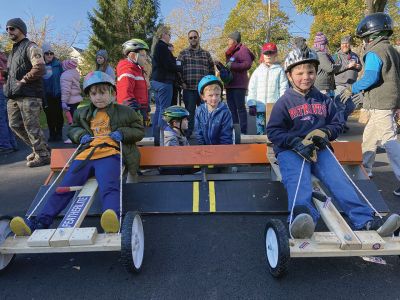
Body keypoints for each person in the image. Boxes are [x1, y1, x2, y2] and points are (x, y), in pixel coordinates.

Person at [266, 47, 400, 239]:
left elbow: (337, 123)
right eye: (300, 73)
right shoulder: (284, 102)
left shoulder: (323, 99)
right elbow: (273, 131)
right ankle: (302, 218)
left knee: (339, 180)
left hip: (319, 149)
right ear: (289, 75)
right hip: (291, 150)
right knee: (298, 179)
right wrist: (293, 142)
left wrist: (326, 132)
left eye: (311, 72)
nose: (306, 77)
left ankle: (366, 220)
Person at [9, 71, 145, 236]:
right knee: (63, 188)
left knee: (109, 186)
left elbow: (138, 130)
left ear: (112, 93)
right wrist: (80, 135)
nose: (98, 97)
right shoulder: (82, 112)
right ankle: (39, 222)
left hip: (110, 153)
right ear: (88, 96)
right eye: (93, 94)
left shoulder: (125, 111)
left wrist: (122, 133)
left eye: (103, 92)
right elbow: (73, 129)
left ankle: (112, 218)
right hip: (85, 156)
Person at [339, 13, 400, 196]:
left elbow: (371, 77)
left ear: (369, 36)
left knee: (389, 140)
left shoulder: (374, 51)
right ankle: (366, 170)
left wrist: (353, 88)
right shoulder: (391, 50)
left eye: (364, 39)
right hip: (388, 101)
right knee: (370, 137)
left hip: (380, 102)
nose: (364, 42)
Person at [4, 18, 50, 167]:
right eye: (7, 29)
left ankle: (42, 155)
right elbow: (13, 72)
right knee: (14, 124)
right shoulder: (13, 51)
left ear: (21, 30)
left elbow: (40, 68)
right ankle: (39, 149)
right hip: (14, 95)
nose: (9, 31)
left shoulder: (31, 46)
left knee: (31, 126)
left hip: (29, 94)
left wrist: (24, 80)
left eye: (12, 28)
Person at [178, 30, 215, 138]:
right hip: (188, 88)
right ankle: (187, 135)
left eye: (195, 37)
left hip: (204, 90)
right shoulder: (183, 53)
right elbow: (178, 70)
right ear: (188, 39)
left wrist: (210, 85)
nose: (193, 39)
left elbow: (212, 70)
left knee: (205, 112)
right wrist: (182, 83)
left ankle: (205, 134)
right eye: (191, 38)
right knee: (189, 113)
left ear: (199, 38)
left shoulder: (206, 54)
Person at [247, 42, 288, 135]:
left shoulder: (279, 70)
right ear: (263, 55)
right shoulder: (258, 71)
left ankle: (274, 147)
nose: (268, 55)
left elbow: (283, 88)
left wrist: (282, 104)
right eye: (266, 53)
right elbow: (252, 88)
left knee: (274, 130)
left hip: (274, 107)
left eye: (271, 53)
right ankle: (261, 147)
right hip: (260, 107)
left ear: (275, 54)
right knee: (260, 131)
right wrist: (252, 104)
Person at [150, 26, 180, 139]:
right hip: (164, 81)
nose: (170, 37)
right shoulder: (163, 47)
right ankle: (163, 137)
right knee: (164, 110)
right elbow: (168, 65)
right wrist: (179, 67)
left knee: (159, 108)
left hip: (156, 81)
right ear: (163, 35)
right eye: (169, 35)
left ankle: (156, 137)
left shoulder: (157, 47)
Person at [224, 31, 255, 134]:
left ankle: (243, 131)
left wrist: (232, 66)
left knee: (240, 108)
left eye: (229, 39)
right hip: (230, 85)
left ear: (234, 40)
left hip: (239, 85)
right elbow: (229, 65)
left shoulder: (243, 50)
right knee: (232, 109)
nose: (227, 41)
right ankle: (235, 130)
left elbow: (247, 64)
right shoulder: (230, 52)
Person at [116, 38, 150, 123]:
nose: (146, 58)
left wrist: (146, 107)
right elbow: (125, 94)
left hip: (140, 109)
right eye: (143, 55)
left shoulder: (137, 70)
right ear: (133, 56)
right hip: (131, 113)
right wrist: (133, 112)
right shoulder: (127, 70)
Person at [333, 35, 362, 131]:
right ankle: (340, 125)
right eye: (342, 43)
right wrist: (348, 65)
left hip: (352, 85)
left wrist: (358, 67)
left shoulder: (354, 55)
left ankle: (342, 122)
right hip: (340, 84)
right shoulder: (336, 55)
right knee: (340, 106)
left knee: (352, 106)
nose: (344, 45)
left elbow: (360, 67)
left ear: (350, 45)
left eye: (346, 43)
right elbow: (333, 69)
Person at [312, 32, 353, 100]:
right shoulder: (320, 54)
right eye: (326, 44)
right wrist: (347, 66)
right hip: (322, 87)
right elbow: (330, 68)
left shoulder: (319, 53)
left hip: (326, 86)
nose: (327, 46)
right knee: (326, 107)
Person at [195, 75, 233, 145]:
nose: (214, 98)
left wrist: (222, 152)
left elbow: (226, 136)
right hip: (205, 149)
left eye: (217, 95)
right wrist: (202, 148)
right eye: (210, 95)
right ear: (203, 96)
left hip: (221, 148)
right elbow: (198, 133)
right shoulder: (199, 111)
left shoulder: (225, 112)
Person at [42, 42, 64, 142]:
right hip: (46, 96)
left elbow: (65, 79)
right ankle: (52, 134)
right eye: (47, 53)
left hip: (57, 94)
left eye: (51, 53)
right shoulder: (40, 65)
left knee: (58, 115)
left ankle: (59, 133)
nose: (50, 55)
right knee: (49, 116)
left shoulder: (58, 65)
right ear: (43, 54)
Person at [60, 59, 82, 143]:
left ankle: (73, 137)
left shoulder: (66, 75)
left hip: (69, 101)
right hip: (76, 99)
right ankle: (78, 135)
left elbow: (66, 90)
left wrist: (63, 102)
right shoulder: (75, 73)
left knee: (71, 120)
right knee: (75, 118)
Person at [0, 49, 18, 153]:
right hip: (5, 88)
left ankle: (5, 145)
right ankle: (12, 143)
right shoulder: (4, 58)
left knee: (1, 120)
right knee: (7, 118)